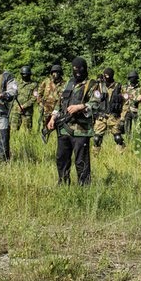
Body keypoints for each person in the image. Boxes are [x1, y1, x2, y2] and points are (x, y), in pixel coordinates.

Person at [47, 57, 100, 185]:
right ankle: (63, 184)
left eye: (80, 69)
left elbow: (97, 103)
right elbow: (60, 103)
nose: (77, 71)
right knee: (61, 158)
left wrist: (80, 106)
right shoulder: (68, 83)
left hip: (81, 130)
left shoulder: (92, 85)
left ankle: (84, 187)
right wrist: (53, 117)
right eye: (75, 69)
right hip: (64, 128)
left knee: (81, 161)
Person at [93, 68, 125, 151]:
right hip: (101, 116)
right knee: (96, 139)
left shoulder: (118, 86)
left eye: (107, 75)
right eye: (104, 75)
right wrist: (96, 83)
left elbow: (125, 103)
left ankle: (121, 155)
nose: (106, 77)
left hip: (114, 116)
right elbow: (92, 97)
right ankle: (95, 156)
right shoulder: (99, 86)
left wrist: (122, 118)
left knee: (118, 138)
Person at [37, 64, 66, 141]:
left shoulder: (65, 84)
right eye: (53, 72)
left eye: (57, 72)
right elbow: (39, 93)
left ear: (60, 73)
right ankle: (43, 140)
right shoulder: (46, 81)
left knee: (59, 127)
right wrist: (40, 103)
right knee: (45, 127)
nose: (55, 74)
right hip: (46, 109)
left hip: (58, 110)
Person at [11, 66, 38, 132]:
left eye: (26, 74)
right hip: (16, 110)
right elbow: (13, 95)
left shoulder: (34, 84)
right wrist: (17, 106)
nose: (24, 76)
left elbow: (34, 98)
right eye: (23, 74)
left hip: (27, 112)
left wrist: (24, 106)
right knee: (13, 130)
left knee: (28, 131)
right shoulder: (17, 83)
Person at [122, 70, 141, 136]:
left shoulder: (140, 88)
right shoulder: (125, 88)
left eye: (133, 78)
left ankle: (137, 138)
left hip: (136, 110)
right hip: (127, 110)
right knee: (127, 129)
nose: (132, 79)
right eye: (130, 78)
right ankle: (128, 140)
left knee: (138, 128)